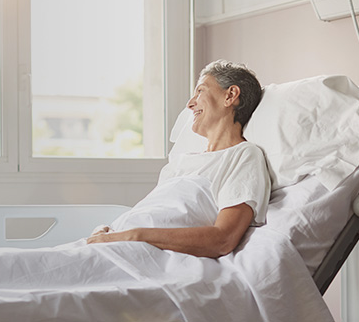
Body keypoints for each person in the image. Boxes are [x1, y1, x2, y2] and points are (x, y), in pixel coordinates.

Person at [88, 60, 271, 259]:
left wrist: (132, 236)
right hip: (111, 242)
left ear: (230, 95)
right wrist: (108, 232)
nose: (190, 104)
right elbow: (155, 213)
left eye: (200, 91)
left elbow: (223, 239)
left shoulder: (243, 156)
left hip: (136, 252)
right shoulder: (181, 163)